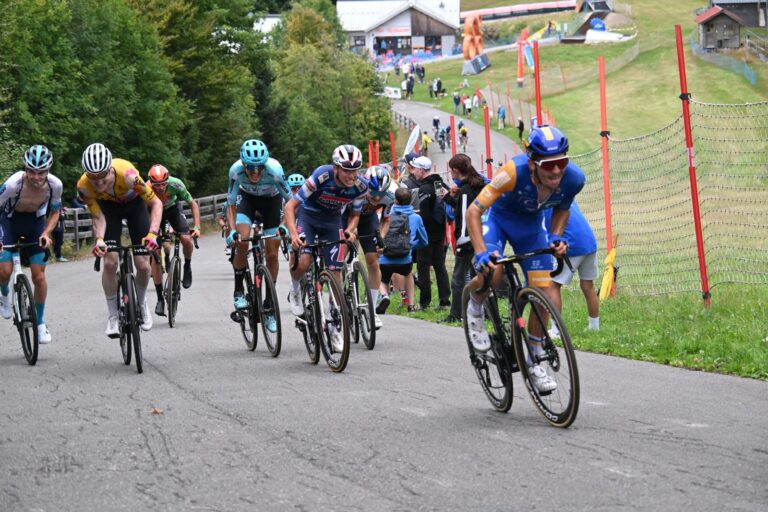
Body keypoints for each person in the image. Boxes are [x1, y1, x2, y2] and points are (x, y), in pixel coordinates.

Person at [464, 125, 585, 393]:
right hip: (498, 222)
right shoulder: (511, 173)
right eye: (548, 164)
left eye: (562, 162)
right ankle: (474, 307)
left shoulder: (574, 179)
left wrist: (556, 235)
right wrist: (481, 252)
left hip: (531, 229)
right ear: (532, 163)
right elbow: (473, 211)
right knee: (492, 272)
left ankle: (534, 358)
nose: (557, 171)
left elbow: (563, 209)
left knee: (544, 293)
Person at [283, 144, 369, 352]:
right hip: (308, 217)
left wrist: (349, 230)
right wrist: (293, 235)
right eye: (346, 170)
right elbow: (290, 206)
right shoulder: (321, 176)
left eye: (355, 170)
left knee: (335, 273)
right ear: (336, 168)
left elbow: (355, 215)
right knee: (304, 262)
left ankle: (333, 324)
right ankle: (295, 290)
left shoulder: (361, 187)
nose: (351, 175)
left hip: (332, 221)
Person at [77, 143, 163, 337]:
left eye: (102, 176)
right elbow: (97, 216)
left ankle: (141, 303)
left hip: (135, 206)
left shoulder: (128, 175)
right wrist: (100, 239)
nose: (99, 182)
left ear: (110, 169)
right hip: (109, 210)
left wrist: (153, 233)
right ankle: (113, 315)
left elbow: (156, 203)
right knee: (109, 263)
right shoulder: (84, 186)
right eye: (93, 178)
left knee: (143, 265)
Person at [225, 139, 291, 332]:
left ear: (265, 164)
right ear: (243, 164)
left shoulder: (275, 170)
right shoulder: (235, 171)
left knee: (272, 253)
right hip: (247, 200)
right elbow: (231, 203)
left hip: (272, 202)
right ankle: (239, 289)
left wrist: (284, 226)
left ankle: (269, 304)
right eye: (250, 168)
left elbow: (290, 202)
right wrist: (232, 230)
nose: (255, 173)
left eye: (259, 168)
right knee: (242, 241)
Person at [0, 145, 63, 344]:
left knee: (39, 276)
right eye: (32, 171)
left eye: (41, 172)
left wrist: (46, 233)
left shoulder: (55, 185)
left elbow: (55, 212)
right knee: (4, 271)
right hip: (8, 222)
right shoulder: (13, 184)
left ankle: (40, 322)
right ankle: (4, 294)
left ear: (48, 170)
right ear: (25, 169)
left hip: (35, 224)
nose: (36, 177)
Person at [146, 164, 201, 317]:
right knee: (155, 254)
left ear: (168, 180)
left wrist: (197, 226)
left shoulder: (176, 184)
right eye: (157, 185)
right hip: (153, 211)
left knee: (186, 239)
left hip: (172, 210)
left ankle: (187, 266)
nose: (161, 188)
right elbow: (140, 210)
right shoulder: (146, 188)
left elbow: (192, 204)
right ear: (151, 182)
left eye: (163, 184)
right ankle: (160, 299)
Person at [345, 165, 394, 329]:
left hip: (367, 221)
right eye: (373, 193)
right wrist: (348, 231)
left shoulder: (389, 198)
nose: (377, 197)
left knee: (373, 262)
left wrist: (380, 239)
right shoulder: (353, 190)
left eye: (381, 194)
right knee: (340, 258)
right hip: (347, 218)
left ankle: (371, 310)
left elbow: (385, 221)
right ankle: (336, 300)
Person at [441, 154, 487, 323]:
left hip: (468, 239)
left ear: (455, 170)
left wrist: (461, 238)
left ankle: (456, 314)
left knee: (458, 279)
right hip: (482, 236)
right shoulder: (477, 185)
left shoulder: (466, 190)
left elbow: (465, 214)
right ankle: (487, 313)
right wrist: (449, 198)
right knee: (481, 277)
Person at [544, 201, 600, 334]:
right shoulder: (567, 198)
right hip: (589, 243)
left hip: (571, 245)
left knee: (552, 286)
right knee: (588, 286)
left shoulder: (544, 203)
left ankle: (556, 330)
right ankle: (594, 327)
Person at [410, 156, 450, 310]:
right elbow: (442, 204)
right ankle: (444, 301)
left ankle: (424, 302)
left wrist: (415, 215)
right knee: (440, 266)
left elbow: (425, 216)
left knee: (423, 267)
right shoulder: (438, 183)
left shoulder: (425, 189)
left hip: (426, 234)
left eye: (415, 169)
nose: (413, 172)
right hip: (440, 232)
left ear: (421, 170)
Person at [378, 188, 428, 313]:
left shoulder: (387, 217)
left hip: (385, 258)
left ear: (395, 201)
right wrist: (410, 245)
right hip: (405, 259)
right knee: (408, 274)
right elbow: (424, 241)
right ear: (410, 201)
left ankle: (384, 295)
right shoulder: (416, 218)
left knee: (381, 279)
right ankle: (411, 306)